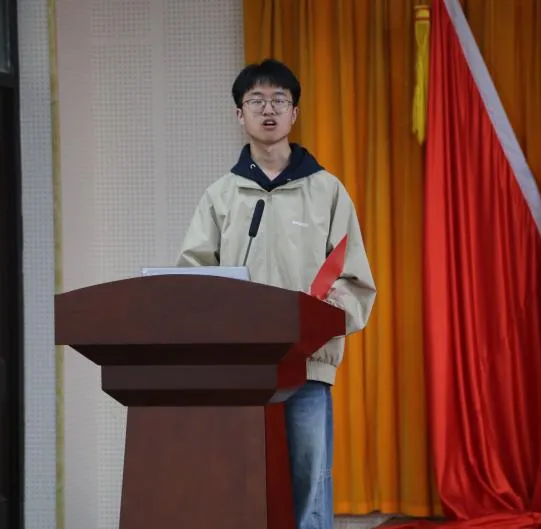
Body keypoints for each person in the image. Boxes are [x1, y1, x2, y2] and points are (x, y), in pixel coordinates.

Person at [176, 58, 376, 529]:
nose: (268, 110)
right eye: (257, 101)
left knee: (308, 483)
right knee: (240, 482)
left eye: (279, 100)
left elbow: (354, 280)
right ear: (239, 114)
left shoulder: (327, 192)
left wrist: (323, 315)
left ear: (294, 113)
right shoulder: (221, 196)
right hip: (239, 369)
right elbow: (192, 278)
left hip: (305, 366)